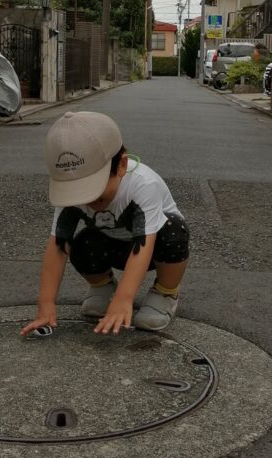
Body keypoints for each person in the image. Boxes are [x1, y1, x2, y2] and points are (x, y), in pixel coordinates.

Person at [20, 111, 190, 337]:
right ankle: (103, 287)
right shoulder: (72, 193)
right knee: (80, 243)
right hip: (111, 244)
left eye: (95, 191)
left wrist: (124, 300)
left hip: (153, 249)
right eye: (79, 192)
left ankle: (165, 293)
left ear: (121, 165)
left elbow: (144, 245)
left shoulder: (142, 185)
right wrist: (46, 304)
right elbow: (57, 246)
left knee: (174, 230)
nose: (88, 201)